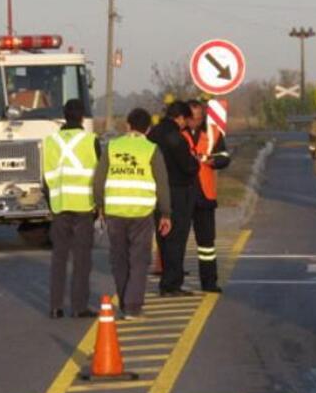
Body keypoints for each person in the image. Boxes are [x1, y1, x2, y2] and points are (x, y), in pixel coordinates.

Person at [94, 108, 172, 319]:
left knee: (119, 259)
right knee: (139, 260)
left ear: (127, 126)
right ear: (148, 128)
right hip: (141, 213)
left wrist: (99, 206)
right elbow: (162, 183)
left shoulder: (112, 147)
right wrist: (165, 213)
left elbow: (99, 179)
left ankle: (124, 302)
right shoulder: (152, 149)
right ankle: (133, 306)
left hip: (115, 211)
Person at [43, 99, 100, 319]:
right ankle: (79, 307)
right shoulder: (90, 140)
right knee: (82, 259)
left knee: (59, 257)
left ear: (64, 116)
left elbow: (46, 178)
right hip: (84, 206)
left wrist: (52, 204)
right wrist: (99, 205)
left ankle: (56, 306)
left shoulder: (50, 141)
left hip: (59, 206)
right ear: (82, 117)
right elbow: (98, 176)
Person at [147, 101, 200, 297]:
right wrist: (196, 164)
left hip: (156, 191)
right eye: (186, 120)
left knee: (163, 236)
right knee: (177, 237)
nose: (186, 124)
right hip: (178, 191)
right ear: (180, 118)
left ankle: (167, 281)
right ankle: (172, 283)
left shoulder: (152, 134)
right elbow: (188, 165)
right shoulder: (175, 137)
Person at [183, 100, 231, 293]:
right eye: (192, 118)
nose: (196, 121)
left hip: (205, 193)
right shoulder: (179, 133)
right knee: (177, 241)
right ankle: (174, 282)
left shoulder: (213, 132)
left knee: (207, 243)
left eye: (199, 117)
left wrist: (215, 161)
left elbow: (225, 156)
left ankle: (209, 281)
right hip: (183, 192)